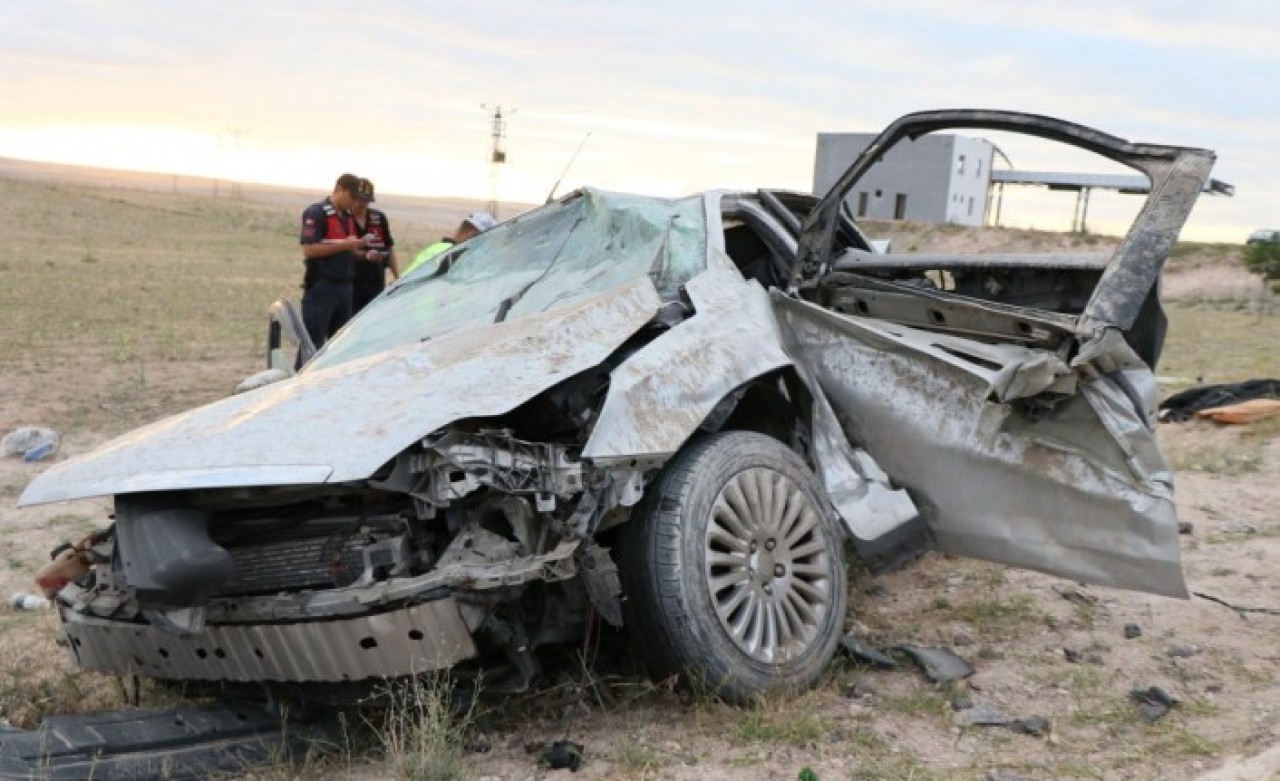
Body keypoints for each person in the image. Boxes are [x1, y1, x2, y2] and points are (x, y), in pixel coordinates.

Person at [299, 173, 370, 355]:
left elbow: (349, 249)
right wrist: (345, 245)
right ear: (339, 189)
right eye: (351, 197)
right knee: (312, 344)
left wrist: (364, 254)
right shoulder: (317, 213)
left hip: (345, 287)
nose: (354, 203)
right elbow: (310, 249)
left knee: (338, 347)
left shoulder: (347, 217)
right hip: (322, 287)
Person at [350, 177, 400, 314]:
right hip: (350, 286)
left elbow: (389, 248)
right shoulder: (343, 219)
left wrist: (397, 277)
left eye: (367, 201)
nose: (363, 204)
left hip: (375, 284)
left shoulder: (379, 218)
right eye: (359, 199)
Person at [402, 211, 497, 277]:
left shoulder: (437, 248)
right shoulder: (453, 255)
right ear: (471, 234)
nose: (483, 246)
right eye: (483, 240)